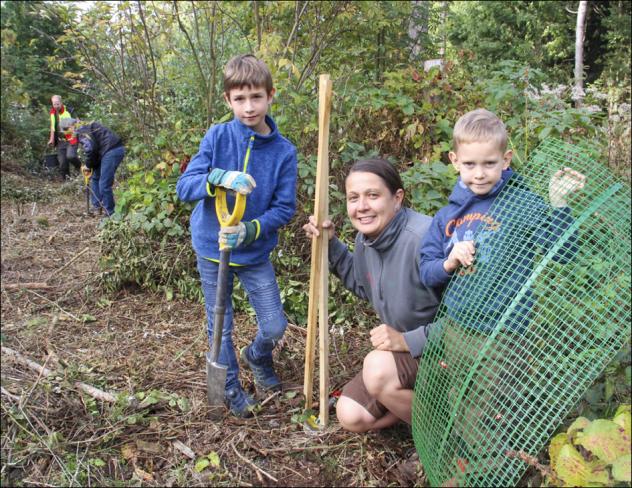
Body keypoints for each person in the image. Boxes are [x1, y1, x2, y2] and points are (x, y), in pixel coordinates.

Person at [418, 108, 586, 462]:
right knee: (458, 394)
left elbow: (564, 253)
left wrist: (558, 203)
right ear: (455, 161)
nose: (479, 174)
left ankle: (489, 466)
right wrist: (449, 261)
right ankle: (466, 456)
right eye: (470, 164)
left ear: (506, 159)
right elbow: (427, 272)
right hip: (457, 327)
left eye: (490, 163)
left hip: (503, 331)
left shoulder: (521, 203)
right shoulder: (448, 215)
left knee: (490, 402)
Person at [176, 54, 298, 418]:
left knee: (275, 325)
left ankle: (258, 357)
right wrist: (217, 178)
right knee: (221, 327)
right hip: (213, 251)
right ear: (228, 100)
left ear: (270, 96)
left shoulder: (283, 152)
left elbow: (284, 208)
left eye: (256, 97)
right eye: (240, 99)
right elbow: (185, 187)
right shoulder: (217, 136)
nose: (249, 107)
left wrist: (250, 229)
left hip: (253, 252)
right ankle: (228, 389)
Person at [303, 158, 442, 432]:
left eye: (373, 195)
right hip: (406, 354)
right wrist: (330, 245)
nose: (362, 206)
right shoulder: (367, 240)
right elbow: (362, 283)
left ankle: (443, 435)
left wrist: (406, 340)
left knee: (377, 370)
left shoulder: (425, 239)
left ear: (397, 198)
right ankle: (416, 411)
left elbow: (468, 322)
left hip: (445, 353)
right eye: (353, 198)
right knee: (351, 415)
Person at [59, 118, 125, 217]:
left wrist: (88, 165)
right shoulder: (83, 126)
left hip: (112, 150)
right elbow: (95, 148)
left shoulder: (82, 130)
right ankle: (97, 207)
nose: (69, 135)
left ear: (71, 126)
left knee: (104, 184)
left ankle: (110, 214)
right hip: (103, 151)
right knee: (95, 178)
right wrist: (89, 166)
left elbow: (91, 149)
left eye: (67, 131)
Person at [47, 95, 81, 180]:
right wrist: (51, 139)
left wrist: (72, 127)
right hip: (60, 141)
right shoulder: (52, 113)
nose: (56, 106)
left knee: (71, 156)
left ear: (61, 103)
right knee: (62, 164)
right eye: (54, 104)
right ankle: (67, 182)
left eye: (57, 104)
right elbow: (52, 127)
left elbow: (78, 122)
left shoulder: (69, 110)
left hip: (71, 139)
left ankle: (80, 168)